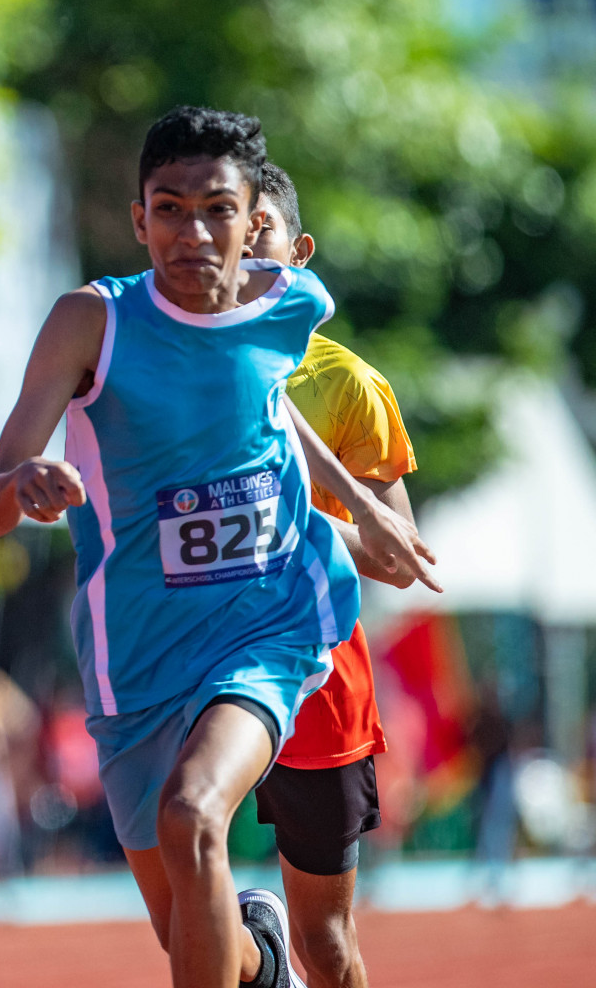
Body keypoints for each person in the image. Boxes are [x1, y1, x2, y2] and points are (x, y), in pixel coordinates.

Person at [0, 106, 438, 988]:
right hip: (136, 654)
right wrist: (24, 484)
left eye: (217, 209)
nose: (194, 232)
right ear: (138, 217)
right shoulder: (89, 323)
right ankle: (260, 960)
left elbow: (266, 394)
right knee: (191, 926)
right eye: (170, 208)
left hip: (269, 628)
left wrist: (357, 512)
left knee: (196, 816)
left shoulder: (291, 307)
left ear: (254, 220)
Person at [244, 162, 419, 988]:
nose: (236, 241)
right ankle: (258, 957)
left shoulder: (347, 384)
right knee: (183, 875)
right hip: (188, 659)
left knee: (326, 945)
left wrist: (289, 532)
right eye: (215, 221)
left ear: (298, 247)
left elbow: (399, 558)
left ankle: (280, 957)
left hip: (318, 676)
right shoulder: (150, 358)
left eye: (259, 226)